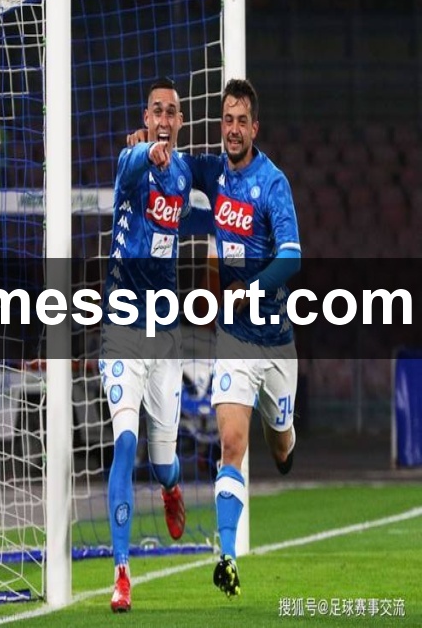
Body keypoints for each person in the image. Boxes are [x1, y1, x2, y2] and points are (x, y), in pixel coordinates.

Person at [128, 78, 301, 598]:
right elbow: (172, 165)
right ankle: (227, 555)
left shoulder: (273, 183)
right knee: (232, 445)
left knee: (281, 447)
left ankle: (287, 434)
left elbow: (291, 256)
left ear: (255, 128)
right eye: (227, 120)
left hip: (276, 341)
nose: (233, 129)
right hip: (235, 341)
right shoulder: (212, 171)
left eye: (241, 121)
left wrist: (253, 288)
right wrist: (145, 147)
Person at [99, 77, 200, 613]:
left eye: (171, 112)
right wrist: (145, 152)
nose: (164, 118)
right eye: (156, 110)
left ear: (180, 120)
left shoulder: (183, 176)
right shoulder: (130, 163)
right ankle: (122, 574)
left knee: (163, 463)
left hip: (164, 335)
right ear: (146, 117)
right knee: (124, 442)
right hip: (120, 328)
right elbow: (135, 163)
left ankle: (171, 488)